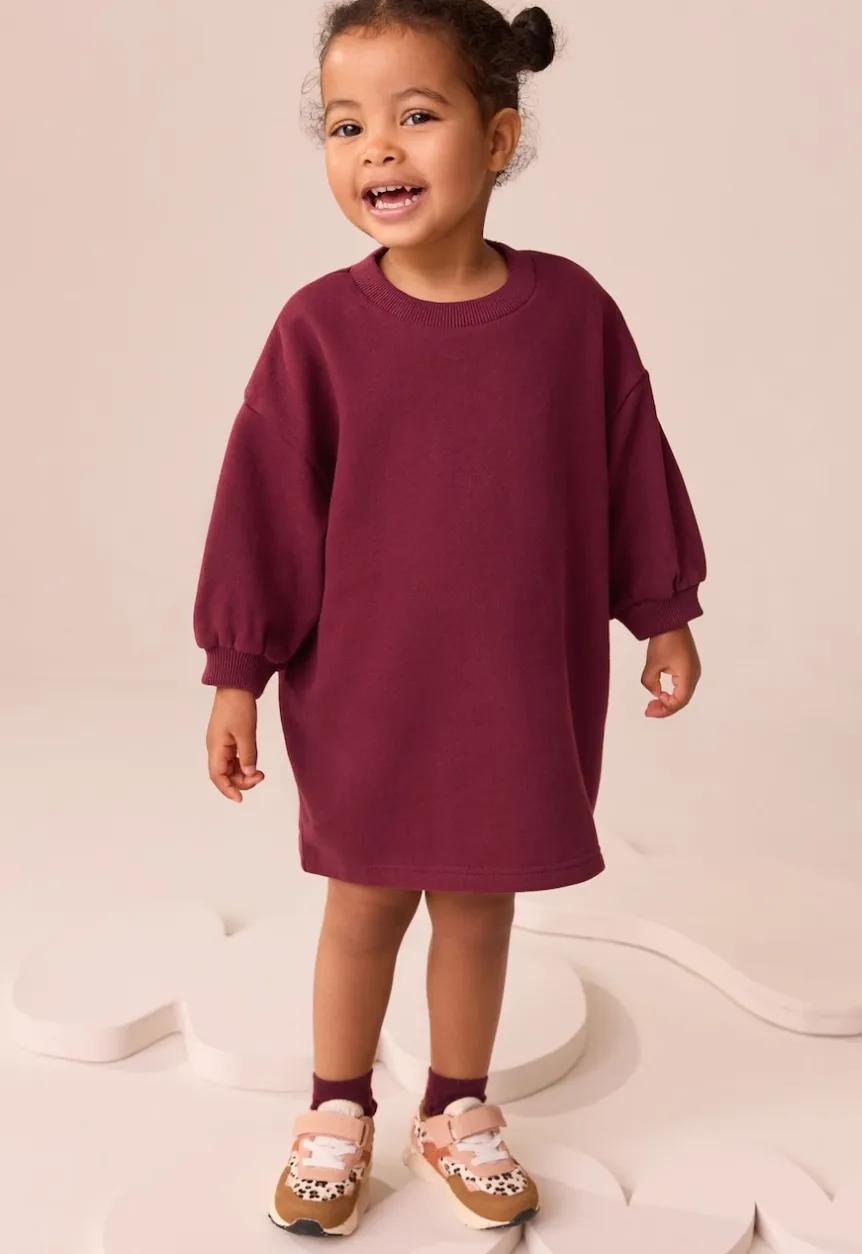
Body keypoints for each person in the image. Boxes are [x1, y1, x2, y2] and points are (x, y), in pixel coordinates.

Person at [194, 0, 706, 1239]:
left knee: (480, 906)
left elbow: (631, 466)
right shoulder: (318, 332)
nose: (377, 147)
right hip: (368, 691)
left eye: (415, 116)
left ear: (497, 138)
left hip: (518, 690)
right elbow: (263, 508)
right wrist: (236, 671)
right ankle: (335, 1110)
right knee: (365, 904)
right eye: (345, 125)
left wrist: (661, 610)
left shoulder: (573, 316)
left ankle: (456, 1110)